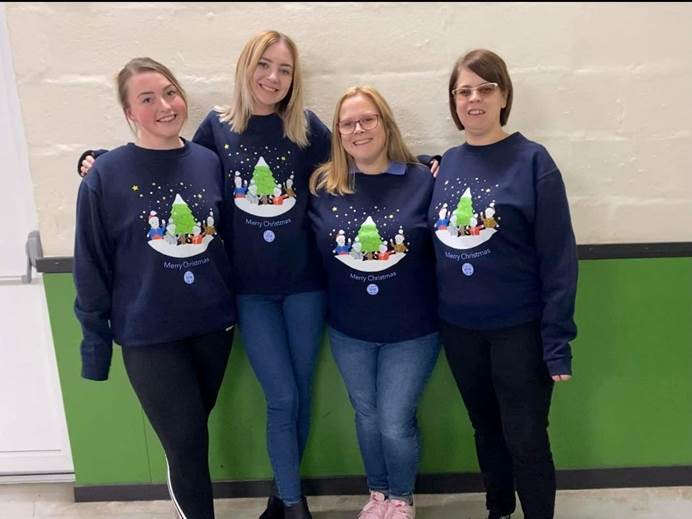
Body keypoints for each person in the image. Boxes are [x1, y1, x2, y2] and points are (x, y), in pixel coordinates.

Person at [73, 57, 236, 519]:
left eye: (169, 92)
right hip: (148, 335)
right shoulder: (105, 176)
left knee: (191, 435)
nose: (164, 105)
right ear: (128, 112)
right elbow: (91, 264)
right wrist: (95, 345)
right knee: (186, 441)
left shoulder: (208, 162)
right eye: (147, 99)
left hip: (212, 327)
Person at [428, 49, 578, 519]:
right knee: (486, 430)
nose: (474, 99)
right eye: (463, 91)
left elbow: (558, 258)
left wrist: (556, 342)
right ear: (453, 103)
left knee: (526, 437)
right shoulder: (446, 164)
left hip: (519, 331)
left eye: (485, 89)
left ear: (503, 95)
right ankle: (498, 510)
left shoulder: (533, 161)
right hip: (460, 331)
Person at [309, 86, 440, 519]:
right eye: (348, 123)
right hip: (349, 331)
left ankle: (402, 498)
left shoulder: (421, 179)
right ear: (338, 133)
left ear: (385, 124)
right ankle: (378, 494)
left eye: (368, 120)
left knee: (394, 420)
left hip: (413, 330)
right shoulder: (325, 187)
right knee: (365, 415)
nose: (358, 129)